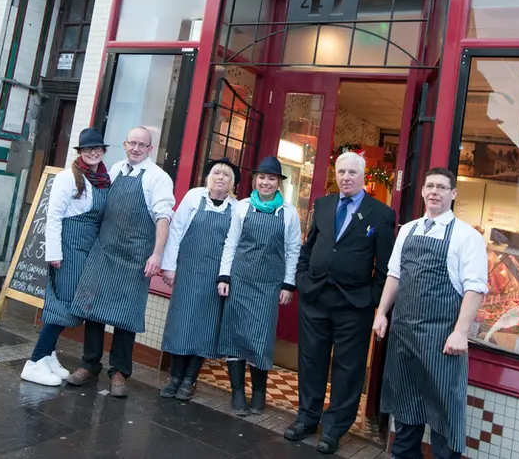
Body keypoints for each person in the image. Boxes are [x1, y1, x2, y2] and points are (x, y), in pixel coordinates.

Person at [285, 152, 397, 454]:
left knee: (348, 369)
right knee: (311, 361)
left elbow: (385, 267)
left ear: (364, 177)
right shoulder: (322, 205)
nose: (346, 177)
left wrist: (372, 299)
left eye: (352, 172)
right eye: (341, 171)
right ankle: (307, 419)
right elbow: (309, 247)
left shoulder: (381, 214)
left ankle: (334, 429)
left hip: (354, 304)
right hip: (316, 297)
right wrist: (302, 278)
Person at [373, 168, 489, 459]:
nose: (434, 192)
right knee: (406, 408)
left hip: (442, 342)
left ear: (453, 194)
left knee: (443, 415)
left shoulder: (466, 236)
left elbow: (475, 289)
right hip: (403, 337)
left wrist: (461, 332)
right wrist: (382, 312)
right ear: (423, 191)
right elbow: (394, 275)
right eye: (429, 186)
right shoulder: (408, 230)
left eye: (441, 187)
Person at [66, 126, 175, 398]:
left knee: (126, 317)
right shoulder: (114, 170)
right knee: (94, 310)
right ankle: (89, 364)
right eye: (132, 143)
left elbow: (164, 217)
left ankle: (118, 372)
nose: (136, 149)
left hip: (136, 257)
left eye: (143, 145)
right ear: (125, 145)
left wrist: (157, 254)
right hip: (104, 250)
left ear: (150, 149)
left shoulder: (158, 178)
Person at [20, 128, 111, 386]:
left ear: (102, 151)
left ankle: (48, 356)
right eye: (87, 149)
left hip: (87, 250)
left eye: (97, 148)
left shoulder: (104, 178)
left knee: (70, 304)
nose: (93, 152)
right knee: (63, 304)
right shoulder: (66, 177)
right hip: (68, 249)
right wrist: (54, 254)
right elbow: (53, 217)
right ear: (80, 153)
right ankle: (35, 362)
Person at [217, 156, 302, 416]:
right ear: (255, 180)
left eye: (272, 178)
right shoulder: (242, 207)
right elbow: (231, 243)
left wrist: (288, 283)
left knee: (261, 338)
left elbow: (293, 250)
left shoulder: (289, 213)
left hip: (268, 285)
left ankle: (259, 392)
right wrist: (224, 276)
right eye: (262, 177)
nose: (266, 182)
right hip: (240, 280)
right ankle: (237, 392)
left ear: (279, 183)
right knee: (235, 335)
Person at [158, 158, 240, 400]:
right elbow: (176, 231)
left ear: (232, 183)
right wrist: (169, 267)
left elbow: (231, 245)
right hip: (187, 272)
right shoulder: (194, 197)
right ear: (209, 177)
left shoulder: (236, 208)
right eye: (217, 173)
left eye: (226, 175)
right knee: (180, 324)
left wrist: (225, 276)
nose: (220, 178)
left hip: (213, 277)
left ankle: (190, 380)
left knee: (204, 328)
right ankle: (174, 378)